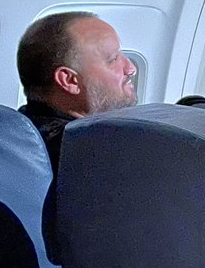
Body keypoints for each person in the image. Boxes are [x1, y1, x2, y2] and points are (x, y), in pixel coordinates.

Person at [17, 11, 138, 173]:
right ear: (69, 81)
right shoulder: (90, 156)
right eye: (113, 59)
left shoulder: (22, 129)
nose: (131, 68)